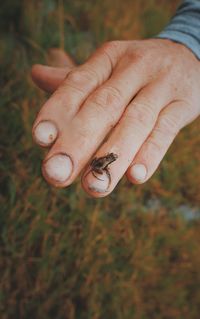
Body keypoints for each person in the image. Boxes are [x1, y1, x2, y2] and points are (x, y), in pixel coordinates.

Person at [31, 0, 200, 198]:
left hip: (101, 163)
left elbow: (104, 164)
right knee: (99, 92)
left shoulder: (108, 160)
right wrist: (192, 34)